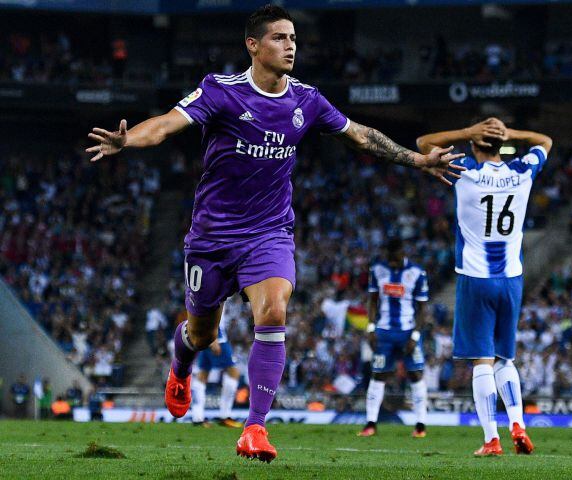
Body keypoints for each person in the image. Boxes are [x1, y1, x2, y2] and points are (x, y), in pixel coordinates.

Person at [86, 4, 462, 463]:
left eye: (294, 39)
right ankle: (180, 366)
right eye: (280, 38)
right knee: (202, 333)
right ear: (253, 45)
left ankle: (255, 428)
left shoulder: (307, 100)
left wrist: (418, 160)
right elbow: (166, 125)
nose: (291, 46)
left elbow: (360, 135)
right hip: (212, 237)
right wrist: (128, 140)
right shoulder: (220, 92)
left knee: (274, 312)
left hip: (269, 232)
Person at [416, 118, 552, 456]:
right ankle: (518, 423)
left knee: (482, 361)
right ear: (501, 145)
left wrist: (465, 131)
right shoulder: (522, 171)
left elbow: (423, 143)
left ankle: (492, 438)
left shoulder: (465, 171)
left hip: (475, 279)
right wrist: (514, 133)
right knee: (505, 358)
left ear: (477, 143)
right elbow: (545, 141)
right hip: (511, 279)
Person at [358, 237, 430, 438]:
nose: (392, 261)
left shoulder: (417, 273)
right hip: (384, 332)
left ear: (402, 252)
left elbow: (423, 308)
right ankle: (370, 423)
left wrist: (415, 335)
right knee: (378, 375)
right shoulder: (377, 270)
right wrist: (371, 328)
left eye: (395, 257)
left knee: (415, 375)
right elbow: (372, 301)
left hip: (408, 331)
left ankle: (420, 425)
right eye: (388, 257)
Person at [191, 298, 242, 428]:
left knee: (202, 376)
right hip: (216, 336)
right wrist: (214, 338)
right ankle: (225, 415)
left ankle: (197, 418)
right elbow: (210, 310)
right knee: (234, 373)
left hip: (207, 335)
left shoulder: (206, 286)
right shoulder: (217, 286)